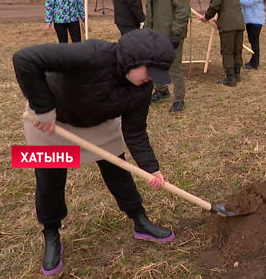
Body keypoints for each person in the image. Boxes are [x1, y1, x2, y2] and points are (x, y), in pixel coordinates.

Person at [12, 29, 178, 277]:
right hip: (53, 123)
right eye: (149, 71)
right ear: (133, 60)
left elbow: (135, 132)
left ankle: (139, 220)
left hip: (99, 123)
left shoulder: (142, 89)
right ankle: (51, 234)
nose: (151, 79)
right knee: (50, 179)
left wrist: (151, 167)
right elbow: (24, 58)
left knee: (118, 171)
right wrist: (43, 108)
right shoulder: (92, 53)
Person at [144, 0, 190, 113]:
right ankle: (161, 90)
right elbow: (150, 9)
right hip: (154, 31)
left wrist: (176, 32)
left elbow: (183, 8)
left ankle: (179, 99)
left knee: (174, 66)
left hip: (171, 32)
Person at [199, 0, 245, 86]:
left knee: (227, 50)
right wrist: (218, 16)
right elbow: (229, 6)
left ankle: (230, 78)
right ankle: (237, 74)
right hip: (239, 23)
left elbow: (215, 4)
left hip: (227, 25)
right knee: (236, 49)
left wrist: (207, 16)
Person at [240, 0, 265, 70]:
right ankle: (253, 61)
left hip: (256, 20)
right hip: (249, 19)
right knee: (252, 40)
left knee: (254, 41)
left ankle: (255, 63)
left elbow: (248, 1)